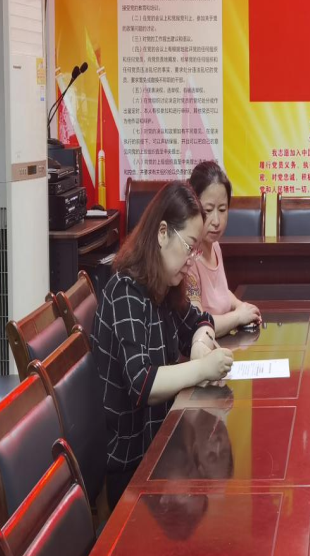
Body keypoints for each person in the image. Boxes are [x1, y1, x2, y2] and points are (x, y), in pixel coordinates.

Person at [92, 181, 235, 509]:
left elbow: (200, 321)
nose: (192, 260)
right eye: (189, 247)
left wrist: (198, 343)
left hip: (163, 445)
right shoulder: (126, 291)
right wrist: (201, 367)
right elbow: (142, 383)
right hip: (132, 464)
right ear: (161, 233)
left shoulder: (165, 286)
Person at [187, 161, 262, 331]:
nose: (216, 221)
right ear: (192, 206)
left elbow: (220, 293)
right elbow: (198, 325)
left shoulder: (214, 246)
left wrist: (241, 306)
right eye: (208, 210)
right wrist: (237, 317)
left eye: (222, 210)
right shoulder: (188, 259)